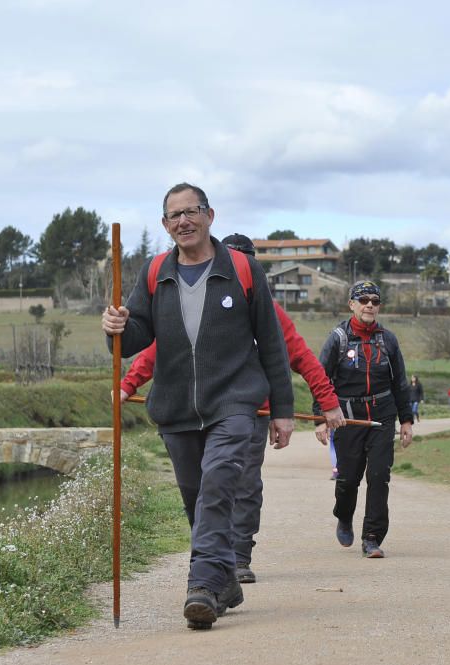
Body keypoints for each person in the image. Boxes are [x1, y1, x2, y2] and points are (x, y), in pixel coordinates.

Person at [102, 182, 296, 630]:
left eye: (192, 211)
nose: (184, 221)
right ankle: (225, 578)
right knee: (197, 501)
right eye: (175, 215)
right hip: (176, 409)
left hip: (234, 402)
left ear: (211, 216)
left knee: (216, 488)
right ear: (165, 225)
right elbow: (135, 339)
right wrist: (115, 326)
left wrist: (282, 411)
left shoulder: (243, 270)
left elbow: (272, 344)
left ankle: (202, 587)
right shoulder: (154, 272)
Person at [119, 233, 345, 586]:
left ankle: (238, 556)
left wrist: (328, 403)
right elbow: (160, 350)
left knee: (243, 484)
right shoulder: (195, 302)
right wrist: (127, 385)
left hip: (251, 411)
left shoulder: (271, 312)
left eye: (243, 264)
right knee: (207, 488)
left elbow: (298, 357)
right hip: (200, 409)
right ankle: (216, 565)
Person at [314, 280, 413, 559]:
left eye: (375, 300)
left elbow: (400, 383)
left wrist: (406, 421)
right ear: (352, 305)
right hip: (346, 418)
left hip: (382, 415)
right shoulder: (337, 339)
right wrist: (321, 419)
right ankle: (344, 516)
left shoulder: (388, 340)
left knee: (379, 476)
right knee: (347, 480)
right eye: (364, 299)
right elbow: (320, 380)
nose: (370, 304)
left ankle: (372, 537)